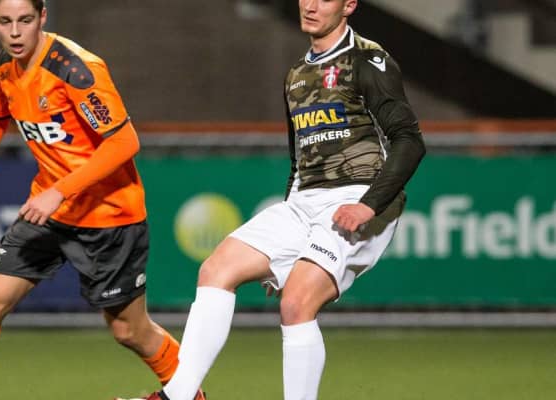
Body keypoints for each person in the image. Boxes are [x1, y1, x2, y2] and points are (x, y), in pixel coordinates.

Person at [119, 0, 426, 399]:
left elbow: (409, 141)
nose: (310, 5)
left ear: (349, 5)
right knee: (217, 269)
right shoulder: (297, 75)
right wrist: (286, 251)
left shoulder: (367, 60)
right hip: (304, 202)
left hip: (358, 197)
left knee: (296, 303)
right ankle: (179, 396)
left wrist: (369, 204)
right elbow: (299, 162)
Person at [0, 1, 202, 399]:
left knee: (129, 330)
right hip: (49, 212)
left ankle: (190, 395)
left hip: (108, 216)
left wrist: (60, 190)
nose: (15, 32)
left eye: (25, 20)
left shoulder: (76, 70)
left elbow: (124, 142)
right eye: (5, 22)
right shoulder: (5, 69)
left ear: (42, 17)